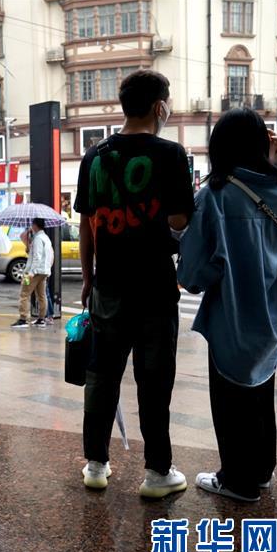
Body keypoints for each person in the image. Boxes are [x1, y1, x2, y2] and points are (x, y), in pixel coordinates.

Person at [74, 69, 193, 498]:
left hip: (108, 288)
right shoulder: (171, 154)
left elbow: (87, 225)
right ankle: (157, 473)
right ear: (159, 107)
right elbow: (179, 220)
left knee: (101, 377)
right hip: (155, 288)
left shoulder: (94, 156)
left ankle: (95, 464)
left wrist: (88, 278)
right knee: (154, 381)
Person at [178, 109, 277, 502]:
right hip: (273, 316)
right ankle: (262, 470)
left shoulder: (215, 196)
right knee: (262, 392)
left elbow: (192, 275)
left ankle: (238, 481)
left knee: (231, 401)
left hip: (232, 319)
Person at [11, 218, 53, 328]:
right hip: (43, 272)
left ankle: (23, 319)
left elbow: (37, 257)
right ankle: (41, 319)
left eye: (32, 224)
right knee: (41, 295)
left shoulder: (38, 238)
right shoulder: (45, 238)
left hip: (33, 272)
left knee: (24, 294)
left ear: (35, 225)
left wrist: (31, 272)